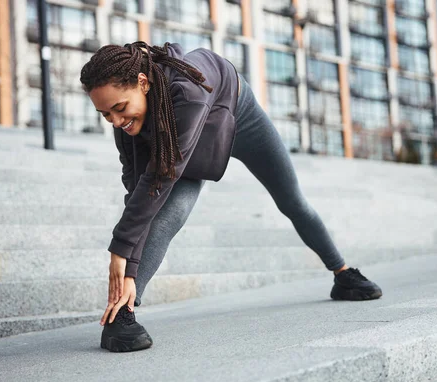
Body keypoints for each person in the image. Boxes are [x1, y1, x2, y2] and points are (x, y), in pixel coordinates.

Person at [80, 41, 382, 353]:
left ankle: (343, 274)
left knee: (292, 201)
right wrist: (128, 269)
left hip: (238, 116)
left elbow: (161, 176)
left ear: (142, 83)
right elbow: (139, 193)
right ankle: (122, 315)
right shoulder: (127, 125)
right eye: (105, 114)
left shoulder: (187, 92)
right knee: (169, 215)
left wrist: (120, 250)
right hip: (183, 147)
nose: (116, 121)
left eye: (119, 109)